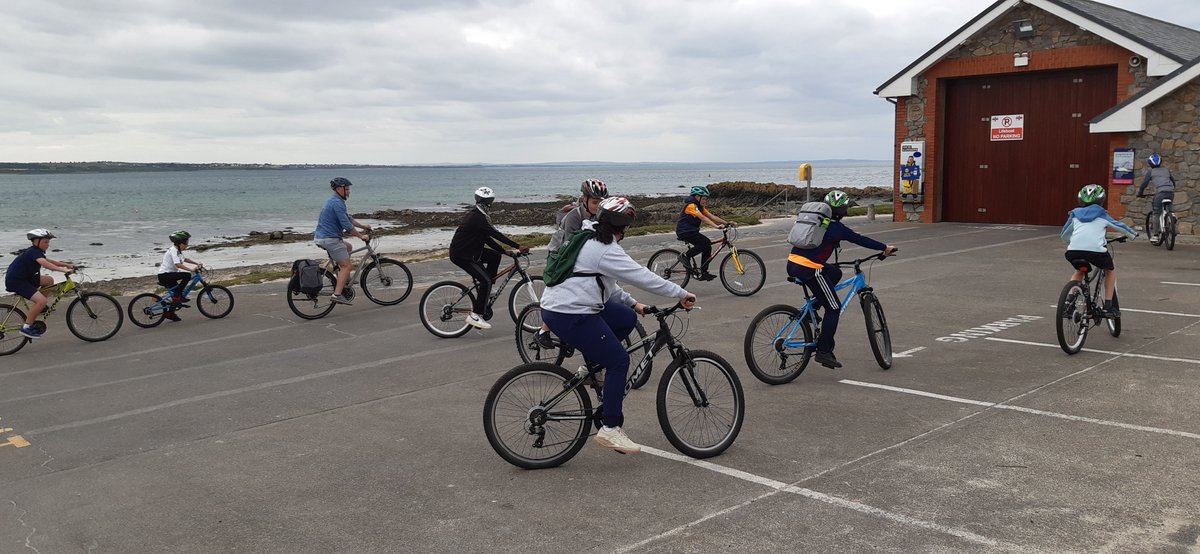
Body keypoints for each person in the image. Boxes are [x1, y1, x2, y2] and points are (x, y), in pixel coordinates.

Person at [540, 197, 697, 455]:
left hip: (566, 305)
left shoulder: (590, 238)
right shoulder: (604, 248)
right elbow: (641, 276)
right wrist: (680, 293)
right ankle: (611, 428)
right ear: (622, 226)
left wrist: (634, 304)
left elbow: (606, 284)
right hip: (570, 312)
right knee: (619, 361)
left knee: (626, 318)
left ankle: (592, 368)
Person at [786, 190, 895, 369]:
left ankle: (814, 306)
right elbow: (860, 239)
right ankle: (824, 351)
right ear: (842, 212)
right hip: (810, 269)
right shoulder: (837, 228)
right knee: (834, 308)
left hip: (793, 263)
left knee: (835, 273)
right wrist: (884, 247)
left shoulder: (817, 223)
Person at [537, 179, 609, 347]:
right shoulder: (573, 217)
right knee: (561, 288)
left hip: (579, 254)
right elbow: (570, 247)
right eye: (595, 202)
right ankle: (543, 330)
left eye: (601, 202)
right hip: (559, 255)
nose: (598, 206)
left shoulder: (601, 215)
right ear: (584, 200)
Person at [448, 186, 524, 330]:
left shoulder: (478, 214)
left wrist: (504, 251)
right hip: (462, 255)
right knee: (486, 280)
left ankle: (485, 291)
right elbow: (495, 234)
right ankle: (475, 315)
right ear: (490, 202)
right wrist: (517, 246)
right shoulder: (478, 217)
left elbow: (486, 238)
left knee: (495, 256)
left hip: (471, 251)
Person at [1061, 184, 1137, 317]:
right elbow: (1120, 226)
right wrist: (1132, 235)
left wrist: (1071, 241)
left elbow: (1064, 235)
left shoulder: (1075, 214)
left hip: (1073, 251)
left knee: (1079, 271)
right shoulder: (1102, 214)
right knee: (1110, 270)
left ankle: (1068, 302)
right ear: (1102, 200)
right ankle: (1108, 306)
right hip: (1096, 252)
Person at [4, 229, 75, 339]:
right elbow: (46, 264)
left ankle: (40, 308)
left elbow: (50, 261)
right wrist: (64, 270)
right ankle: (26, 327)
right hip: (17, 281)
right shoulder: (33, 252)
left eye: (48, 242)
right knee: (41, 300)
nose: (48, 244)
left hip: (26, 278)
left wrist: (67, 265)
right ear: (36, 242)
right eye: (45, 242)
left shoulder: (36, 252)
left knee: (49, 280)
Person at [315, 177, 372, 305]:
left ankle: (345, 279)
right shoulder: (336, 203)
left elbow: (348, 219)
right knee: (347, 266)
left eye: (348, 189)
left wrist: (363, 226)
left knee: (348, 247)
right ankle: (337, 294)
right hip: (329, 239)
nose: (349, 191)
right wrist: (361, 236)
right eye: (346, 189)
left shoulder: (335, 201)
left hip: (323, 237)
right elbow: (347, 225)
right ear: (339, 189)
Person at [675, 185, 730, 281]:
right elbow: (703, 218)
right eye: (704, 198)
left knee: (707, 246)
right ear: (697, 197)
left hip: (691, 231)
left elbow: (712, 216)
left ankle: (704, 272)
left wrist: (727, 223)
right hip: (684, 231)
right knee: (705, 243)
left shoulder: (699, 207)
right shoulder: (691, 206)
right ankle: (685, 256)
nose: (705, 201)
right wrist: (716, 226)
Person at [156, 230, 203, 322]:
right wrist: (191, 270)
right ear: (179, 243)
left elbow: (185, 259)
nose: (187, 244)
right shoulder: (173, 250)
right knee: (186, 276)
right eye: (186, 242)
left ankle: (170, 313)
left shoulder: (178, 251)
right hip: (165, 275)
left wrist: (197, 263)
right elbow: (177, 264)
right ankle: (179, 296)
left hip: (169, 275)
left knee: (176, 294)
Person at [1136, 153, 1176, 241]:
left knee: (1156, 213)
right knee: (1169, 207)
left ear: (1150, 163)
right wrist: (1172, 189)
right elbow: (1173, 181)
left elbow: (1144, 184)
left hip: (1160, 193)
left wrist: (1140, 193)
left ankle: (1156, 235)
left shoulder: (1151, 172)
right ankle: (1172, 216)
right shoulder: (1166, 170)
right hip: (1170, 192)